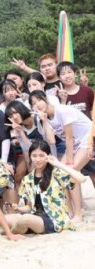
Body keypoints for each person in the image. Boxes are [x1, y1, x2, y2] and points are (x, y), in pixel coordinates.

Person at [29, 90, 93, 221]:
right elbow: (51, 140)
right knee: (58, 174)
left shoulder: (62, 110)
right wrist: (45, 121)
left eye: (39, 100)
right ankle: (69, 212)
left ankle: (78, 214)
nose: (38, 105)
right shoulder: (45, 118)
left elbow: (69, 138)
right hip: (75, 144)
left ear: (46, 99)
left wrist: (69, 162)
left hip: (88, 139)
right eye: (34, 104)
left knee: (71, 172)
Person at [4, 140, 87, 234]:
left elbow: (81, 179)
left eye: (41, 155)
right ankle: (23, 228)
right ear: (30, 157)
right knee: (4, 219)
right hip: (35, 217)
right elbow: (29, 206)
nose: (38, 159)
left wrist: (58, 164)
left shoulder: (56, 174)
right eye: (34, 156)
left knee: (26, 219)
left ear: (48, 156)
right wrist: (18, 208)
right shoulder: (27, 179)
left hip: (54, 219)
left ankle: (15, 232)